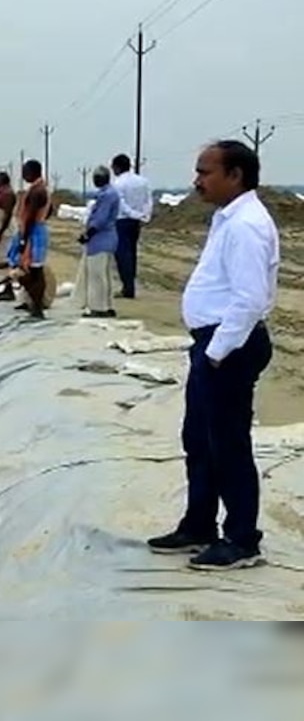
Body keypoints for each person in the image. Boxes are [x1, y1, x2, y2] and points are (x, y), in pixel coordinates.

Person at [146, 140, 279, 571]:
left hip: (230, 347)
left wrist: (218, 352)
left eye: (205, 172)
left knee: (228, 445)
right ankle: (199, 523)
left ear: (235, 175)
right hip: (214, 343)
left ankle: (241, 539)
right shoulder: (228, 218)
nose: (197, 181)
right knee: (199, 439)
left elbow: (250, 298)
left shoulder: (246, 226)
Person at [76, 166, 120, 318]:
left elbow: (100, 219)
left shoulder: (106, 195)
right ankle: (107, 305)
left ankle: (98, 308)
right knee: (105, 275)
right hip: (108, 239)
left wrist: (87, 234)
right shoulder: (110, 193)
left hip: (100, 239)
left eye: (96, 177)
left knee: (96, 276)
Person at [110, 153, 153, 299]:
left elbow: (121, 204)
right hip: (136, 221)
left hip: (122, 220)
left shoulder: (118, 183)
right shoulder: (143, 181)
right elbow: (148, 200)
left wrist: (133, 214)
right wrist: (144, 215)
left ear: (117, 167)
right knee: (132, 253)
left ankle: (127, 288)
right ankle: (130, 285)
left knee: (123, 254)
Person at [14, 159, 51, 319]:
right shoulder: (41, 189)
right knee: (32, 270)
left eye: (24, 172)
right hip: (36, 229)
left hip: (34, 232)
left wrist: (24, 239)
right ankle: (35, 304)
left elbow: (29, 217)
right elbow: (50, 210)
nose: (22, 175)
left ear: (32, 172)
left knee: (34, 271)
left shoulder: (37, 192)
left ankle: (37, 307)